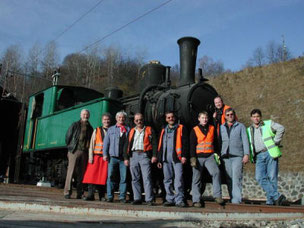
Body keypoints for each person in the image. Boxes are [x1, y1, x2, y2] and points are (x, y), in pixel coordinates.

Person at [247, 109, 286, 206]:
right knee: (259, 177)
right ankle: (277, 196)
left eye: (258, 116)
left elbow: (281, 128)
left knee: (272, 177)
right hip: (259, 155)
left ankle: (271, 201)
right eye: (254, 116)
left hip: (270, 153)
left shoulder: (268, 124)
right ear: (251, 118)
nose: (256, 118)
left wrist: (276, 141)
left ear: (260, 117)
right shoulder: (249, 129)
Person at [189, 111, 224, 207]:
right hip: (198, 157)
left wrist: (217, 153)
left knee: (216, 172)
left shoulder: (212, 128)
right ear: (199, 119)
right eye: (202, 118)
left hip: (209, 156)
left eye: (206, 118)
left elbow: (215, 142)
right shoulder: (195, 130)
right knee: (196, 179)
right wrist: (192, 158)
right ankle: (196, 200)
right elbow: (192, 145)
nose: (204, 120)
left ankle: (217, 195)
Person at [124, 113, 157, 206]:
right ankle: (137, 198)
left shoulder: (149, 130)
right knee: (135, 178)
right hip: (133, 155)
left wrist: (154, 155)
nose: (139, 121)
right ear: (134, 121)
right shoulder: (131, 131)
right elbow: (126, 145)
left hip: (144, 155)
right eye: (137, 120)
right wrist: (126, 158)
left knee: (147, 178)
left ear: (143, 120)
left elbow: (154, 143)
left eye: (140, 119)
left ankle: (149, 199)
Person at [157, 111, 189, 207]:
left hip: (177, 158)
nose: (171, 119)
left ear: (175, 118)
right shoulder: (163, 130)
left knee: (178, 179)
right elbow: (160, 145)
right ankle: (169, 199)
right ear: (166, 119)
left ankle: (179, 200)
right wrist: (159, 159)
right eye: (168, 117)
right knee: (167, 180)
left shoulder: (181, 128)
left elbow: (185, 143)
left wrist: (184, 155)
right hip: (165, 159)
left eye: (172, 117)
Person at [220, 108, 249, 204]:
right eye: (227, 115)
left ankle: (236, 200)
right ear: (225, 116)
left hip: (237, 155)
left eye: (231, 114)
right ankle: (232, 198)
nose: (230, 116)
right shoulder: (221, 127)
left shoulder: (241, 126)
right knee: (229, 178)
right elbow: (220, 141)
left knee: (236, 177)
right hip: (225, 156)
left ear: (234, 115)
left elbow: (245, 140)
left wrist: (246, 154)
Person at [64, 109, 93, 199]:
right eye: (84, 114)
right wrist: (70, 148)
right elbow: (68, 136)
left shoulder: (90, 128)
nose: (85, 116)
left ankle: (79, 193)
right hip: (74, 151)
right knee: (71, 171)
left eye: (87, 115)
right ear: (81, 115)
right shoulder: (75, 125)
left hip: (85, 152)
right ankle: (67, 192)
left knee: (82, 174)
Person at [82, 113, 111, 201]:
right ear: (102, 121)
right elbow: (92, 144)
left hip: (106, 158)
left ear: (110, 121)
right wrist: (90, 157)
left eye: (108, 119)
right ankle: (90, 195)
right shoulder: (97, 130)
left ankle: (101, 196)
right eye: (104, 119)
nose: (106, 121)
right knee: (92, 177)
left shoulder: (112, 130)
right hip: (96, 157)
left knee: (102, 177)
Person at [103, 111, 130, 203]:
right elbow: (106, 143)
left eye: (123, 118)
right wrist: (105, 154)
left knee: (124, 177)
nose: (121, 119)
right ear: (116, 119)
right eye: (119, 117)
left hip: (124, 158)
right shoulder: (111, 130)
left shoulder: (129, 130)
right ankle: (110, 196)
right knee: (110, 176)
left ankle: (122, 197)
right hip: (113, 157)